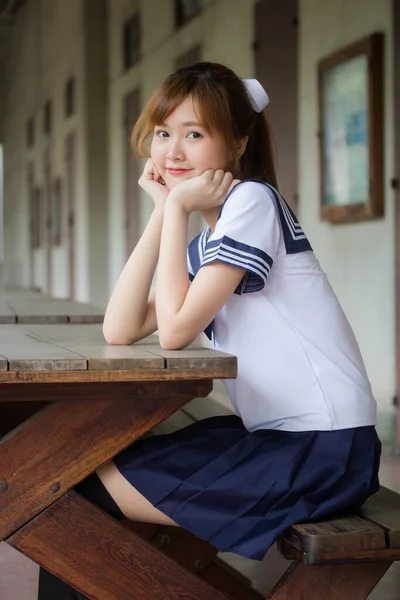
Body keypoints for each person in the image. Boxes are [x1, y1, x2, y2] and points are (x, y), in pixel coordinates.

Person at [38, 62, 381, 599]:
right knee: (72, 476)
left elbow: (174, 333)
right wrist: (161, 212)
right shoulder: (214, 235)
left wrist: (175, 208)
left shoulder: (252, 202)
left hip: (320, 452)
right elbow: (122, 326)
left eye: (194, 135)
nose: (172, 152)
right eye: (163, 133)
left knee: (65, 491)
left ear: (238, 143)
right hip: (282, 439)